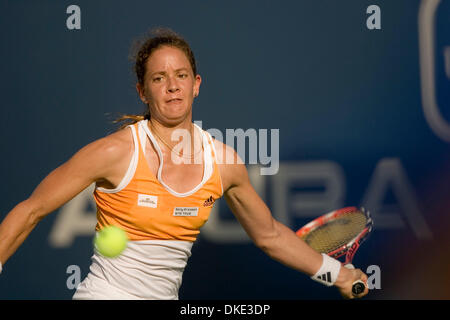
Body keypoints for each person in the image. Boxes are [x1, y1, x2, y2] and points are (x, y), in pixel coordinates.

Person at [0, 28, 368, 300]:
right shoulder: (113, 153)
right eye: (159, 78)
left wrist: (336, 274)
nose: (172, 86)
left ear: (196, 84)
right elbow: (31, 210)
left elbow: (269, 235)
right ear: (144, 92)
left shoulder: (223, 163)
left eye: (181, 76)